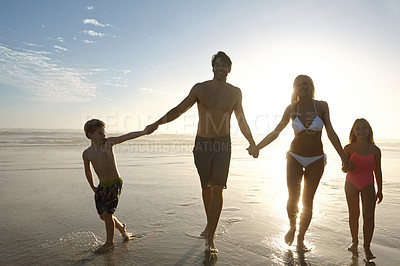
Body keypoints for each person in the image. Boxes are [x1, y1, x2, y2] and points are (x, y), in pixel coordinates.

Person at [147, 51, 258, 253]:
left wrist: (252, 142)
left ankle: (211, 238)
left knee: (218, 188)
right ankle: (209, 225)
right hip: (202, 144)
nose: (221, 68)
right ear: (213, 67)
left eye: (225, 65)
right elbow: (179, 109)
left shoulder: (235, 92)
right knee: (206, 188)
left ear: (229, 68)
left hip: (223, 144)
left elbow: (241, 119)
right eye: (218, 64)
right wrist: (157, 123)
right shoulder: (200, 88)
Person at [250, 74, 353, 250]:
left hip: (316, 159)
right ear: (294, 88)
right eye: (298, 84)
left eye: (305, 83)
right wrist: (258, 146)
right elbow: (276, 132)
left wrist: (344, 158)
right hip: (295, 157)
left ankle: (301, 238)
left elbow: (331, 132)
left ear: (311, 86)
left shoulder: (321, 106)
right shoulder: (291, 109)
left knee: (308, 200)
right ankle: (292, 227)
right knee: (293, 196)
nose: (302, 86)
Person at [82, 119, 154, 253]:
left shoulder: (108, 144)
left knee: (108, 214)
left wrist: (144, 132)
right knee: (104, 216)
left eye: (104, 132)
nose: (104, 135)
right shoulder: (87, 153)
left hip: (114, 184)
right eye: (100, 133)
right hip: (102, 186)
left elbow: (126, 137)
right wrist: (92, 185)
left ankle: (110, 243)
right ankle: (122, 228)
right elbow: (88, 171)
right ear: (90, 135)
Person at [342, 118, 383, 261]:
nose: (361, 131)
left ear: (369, 130)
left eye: (364, 128)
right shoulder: (348, 148)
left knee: (369, 216)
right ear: (353, 132)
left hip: (368, 184)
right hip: (351, 183)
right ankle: (354, 242)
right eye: (357, 129)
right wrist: (347, 167)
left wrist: (380, 189)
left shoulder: (376, 151)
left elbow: (378, 170)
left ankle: (367, 247)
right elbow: (343, 168)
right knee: (354, 214)